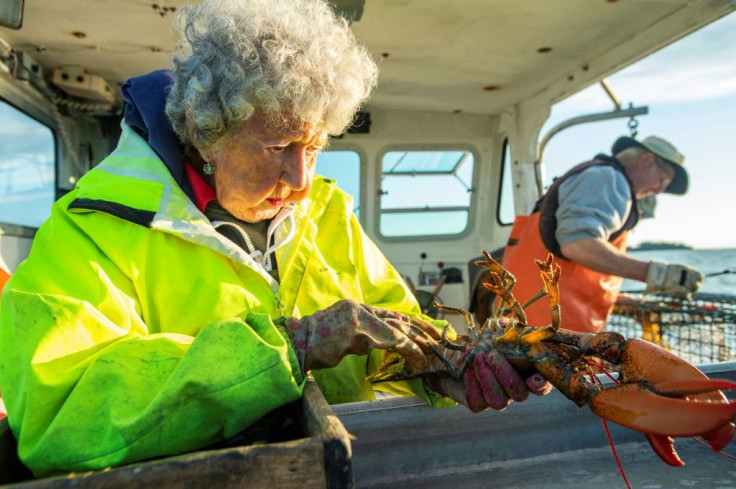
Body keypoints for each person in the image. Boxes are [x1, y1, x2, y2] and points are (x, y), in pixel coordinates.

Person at [0, 0, 549, 477]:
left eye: (313, 147)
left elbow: (394, 329)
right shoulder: (93, 230)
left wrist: (445, 367)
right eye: (278, 145)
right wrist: (291, 345)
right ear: (201, 128)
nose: (302, 179)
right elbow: (60, 415)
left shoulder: (326, 211)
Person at [494, 135, 704, 333]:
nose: (659, 191)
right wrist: (658, 274)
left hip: (524, 327)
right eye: (663, 181)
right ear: (648, 161)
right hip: (547, 336)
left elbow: (568, 267)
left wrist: (618, 298)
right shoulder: (608, 178)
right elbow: (578, 244)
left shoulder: (596, 177)